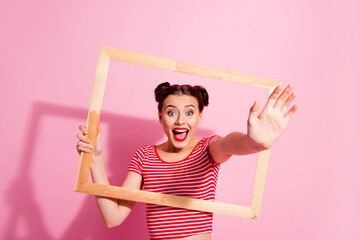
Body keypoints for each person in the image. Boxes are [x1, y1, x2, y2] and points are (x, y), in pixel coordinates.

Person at [76, 82, 297, 240]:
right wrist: (95, 159)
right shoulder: (144, 156)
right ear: (161, 116)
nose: (181, 120)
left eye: (189, 112)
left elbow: (230, 143)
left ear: (200, 116)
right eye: (171, 112)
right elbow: (112, 217)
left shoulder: (207, 149)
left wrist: (254, 142)